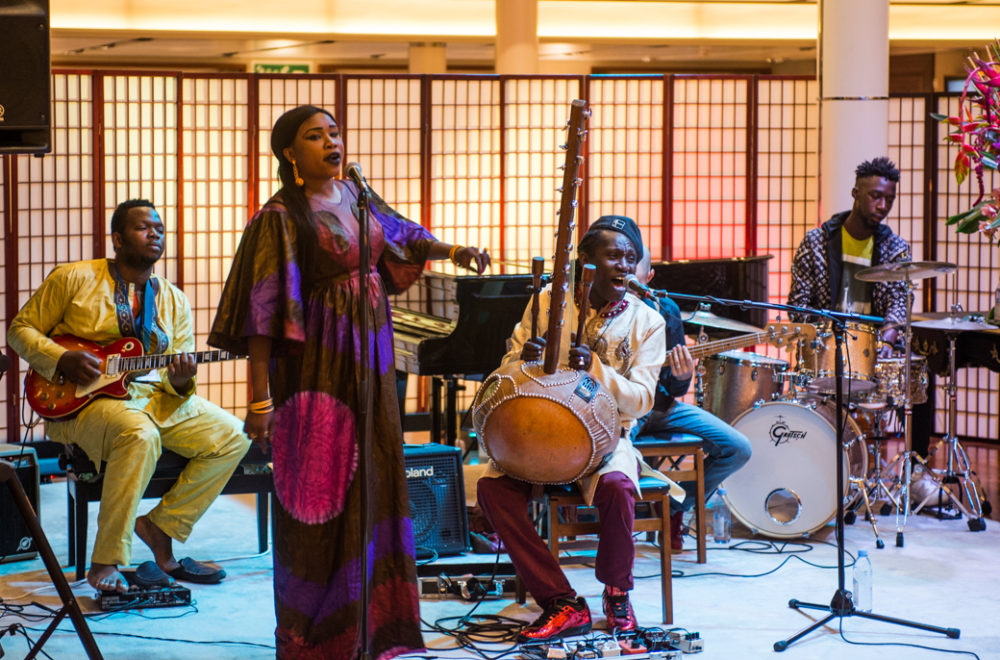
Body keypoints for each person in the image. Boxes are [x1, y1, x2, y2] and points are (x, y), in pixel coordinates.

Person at [207, 104, 490, 659]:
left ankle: (379, 629)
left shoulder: (358, 195)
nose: (331, 143)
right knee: (321, 491)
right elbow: (261, 315)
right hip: (315, 367)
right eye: (315, 136)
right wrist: (259, 400)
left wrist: (453, 251)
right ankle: (318, 636)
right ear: (290, 153)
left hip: (371, 360)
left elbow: (402, 233)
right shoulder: (280, 216)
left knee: (377, 481)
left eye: (334, 133)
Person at [7, 199, 250, 593]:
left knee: (234, 436)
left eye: (159, 229)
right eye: (143, 228)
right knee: (139, 435)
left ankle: (160, 527)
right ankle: (105, 562)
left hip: (156, 397)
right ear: (117, 239)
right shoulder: (73, 278)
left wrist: (183, 381)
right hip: (86, 402)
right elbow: (20, 330)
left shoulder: (173, 300)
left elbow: (177, 380)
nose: (154, 234)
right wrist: (62, 357)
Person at [477, 215, 679, 642]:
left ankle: (617, 592)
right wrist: (523, 360)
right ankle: (561, 600)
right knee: (492, 490)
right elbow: (508, 363)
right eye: (613, 256)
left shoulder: (649, 321)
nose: (624, 266)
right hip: (539, 432)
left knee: (620, 488)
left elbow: (642, 400)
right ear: (585, 263)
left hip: (607, 438)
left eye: (631, 258)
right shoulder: (551, 299)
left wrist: (597, 369)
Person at [787, 156, 932, 456]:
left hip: (876, 351)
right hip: (828, 349)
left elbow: (900, 300)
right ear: (855, 193)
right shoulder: (815, 243)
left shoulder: (895, 248)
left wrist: (889, 339)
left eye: (889, 199)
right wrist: (822, 337)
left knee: (921, 379)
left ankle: (915, 467)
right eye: (875, 196)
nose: (882, 205)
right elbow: (798, 306)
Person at [630, 249, 752, 551]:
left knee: (738, 449)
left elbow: (674, 387)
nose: (626, 276)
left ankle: (673, 508)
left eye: (634, 271)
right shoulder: (600, 311)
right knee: (615, 453)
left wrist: (684, 375)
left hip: (661, 407)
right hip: (622, 411)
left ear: (649, 277)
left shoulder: (664, 308)